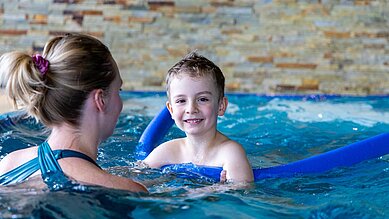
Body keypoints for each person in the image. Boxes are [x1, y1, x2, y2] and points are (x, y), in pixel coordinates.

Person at [0, 33, 147, 193]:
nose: (120, 102)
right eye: (118, 90)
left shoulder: (9, 164)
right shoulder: (125, 190)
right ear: (100, 100)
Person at [143, 52, 254, 183]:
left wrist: (213, 191)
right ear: (171, 110)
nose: (191, 109)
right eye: (181, 101)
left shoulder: (230, 152)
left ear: (221, 106)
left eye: (202, 99)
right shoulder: (168, 151)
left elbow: (241, 189)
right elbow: (135, 177)